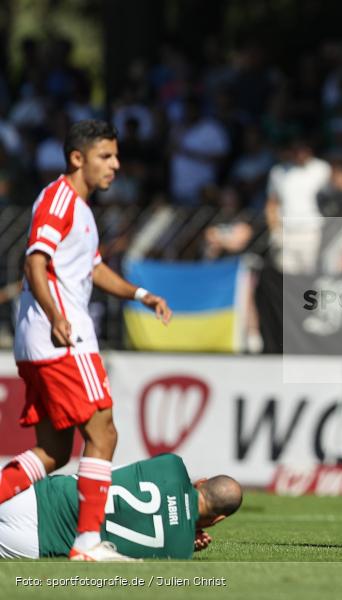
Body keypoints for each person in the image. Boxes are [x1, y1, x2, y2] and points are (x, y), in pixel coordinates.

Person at [0, 119, 172, 561]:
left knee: (53, 451)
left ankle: (86, 542)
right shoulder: (60, 200)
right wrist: (57, 317)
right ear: (78, 158)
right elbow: (35, 262)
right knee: (104, 431)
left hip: (42, 339)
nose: (115, 165)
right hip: (62, 336)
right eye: (105, 156)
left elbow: (92, 269)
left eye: (116, 156)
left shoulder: (80, 208)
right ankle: (87, 542)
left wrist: (140, 294)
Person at [0, 453, 242, 560]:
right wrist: (187, 534)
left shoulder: (171, 464)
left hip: (35, 495)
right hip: (39, 542)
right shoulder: (180, 551)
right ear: (218, 519)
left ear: (201, 482)